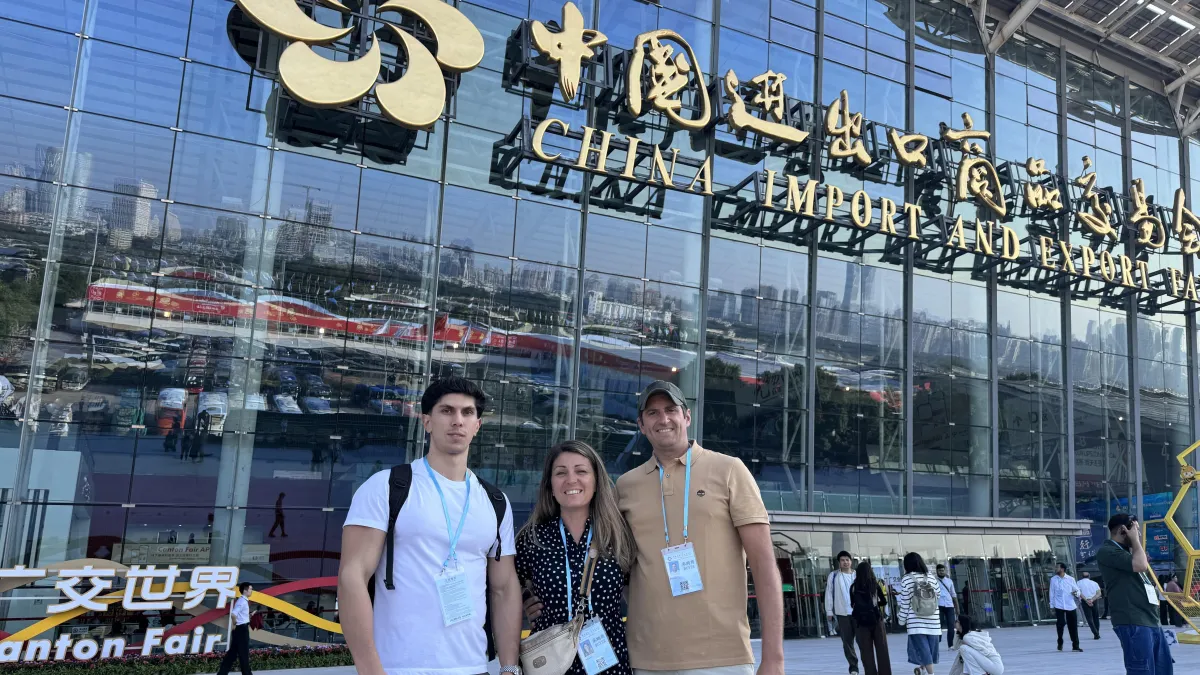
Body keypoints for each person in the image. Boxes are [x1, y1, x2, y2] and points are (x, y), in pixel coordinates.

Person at [338, 377, 523, 675]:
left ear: (477, 425)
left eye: (467, 413)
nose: (457, 421)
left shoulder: (495, 501)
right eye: (446, 411)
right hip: (399, 667)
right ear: (427, 421)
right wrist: (370, 669)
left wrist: (509, 667)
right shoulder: (387, 487)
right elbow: (352, 577)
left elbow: (504, 589)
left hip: (473, 667)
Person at [516, 440, 637, 675]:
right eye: (561, 473)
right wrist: (525, 600)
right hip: (550, 664)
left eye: (581, 471)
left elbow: (640, 590)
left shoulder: (618, 536)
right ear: (550, 485)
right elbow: (504, 588)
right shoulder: (533, 538)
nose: (571, 480)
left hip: (609, 663)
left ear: (596, 482)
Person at [1096, 514, 1173, 675]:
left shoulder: (1128, 553)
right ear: (1123, 530)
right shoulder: (1107, 551)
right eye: (1135, 529)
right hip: (1133, 621)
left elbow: (1144, 570)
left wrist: (1136, 547)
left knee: (1163, 670)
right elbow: (1140, 565)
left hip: (1151, 620)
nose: (1138, 534)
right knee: (1142, 671)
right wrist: (1136, 542)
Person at [897, 552, 941, 675]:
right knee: (929, 650)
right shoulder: (931, 577)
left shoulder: (906, 579)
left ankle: (931, 674)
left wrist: (901, 620)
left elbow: (904, 602)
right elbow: (938, 594)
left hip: (916, 622)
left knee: (922, 649)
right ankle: (923, 669)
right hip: (933, 620)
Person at [849, 561, 890, 675]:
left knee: (866, 651)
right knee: (882, 649)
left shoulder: (853, 586)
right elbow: (884, 601)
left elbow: (852, 604)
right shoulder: (875, 585)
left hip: (861, 622)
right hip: (876, 619)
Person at [826, 551, 860, 675]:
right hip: (842, 613)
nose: (845, 562)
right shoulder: (834, 576)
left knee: (862, 640)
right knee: (847, 642)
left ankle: (868, 663)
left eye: (847, 560)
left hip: (858, 613)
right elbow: (829, 593)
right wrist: (829, 611)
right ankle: (853, 667)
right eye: (842, 560)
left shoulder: (857, 575)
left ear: (851, 561)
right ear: (839, 562)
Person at [216, 582, 254, 675]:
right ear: (245, 590)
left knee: (232, 654)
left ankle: (222, 673)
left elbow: (240, 616)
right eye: (250, 589)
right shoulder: (241, 601)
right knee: (243, 653)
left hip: (241, 629)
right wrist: (235, 623)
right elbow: (233, 614)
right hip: (241, 630)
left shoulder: (243, 601)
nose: (251, 591)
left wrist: (250, 615)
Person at [1049, 562, 1082, 652]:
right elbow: (1051, 593)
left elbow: (1077, 590)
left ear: (1062, 569)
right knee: (1060, 623)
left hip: (1070, 605)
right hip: (1059, 605)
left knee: (1073, 626)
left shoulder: (1070, 579)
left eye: (1057, 567)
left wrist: (1076, 593)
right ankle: (1060, 640)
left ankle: (1075, 645)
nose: (1056, 569)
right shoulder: (1053, 579)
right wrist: (1051, 606)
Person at [935, 564, 959, 650]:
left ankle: (950, 645)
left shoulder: (949, 581)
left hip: (949, 605)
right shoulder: (934, 581)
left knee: (951, 625)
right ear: (937, 571)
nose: (941, 572)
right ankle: (937, 641)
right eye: (940, 571)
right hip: (939, 605)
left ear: (945, 571)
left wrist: (957, 607)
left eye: (943, 570)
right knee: (938, 625)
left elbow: (953, 594)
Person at [1077, 571, 1102, 640]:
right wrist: (1092, 600)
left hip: (1085, 601)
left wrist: (1086, 600)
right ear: (1089, 576)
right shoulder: (1094, 583)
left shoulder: (1078, 583)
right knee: (1096, 617)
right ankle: (1097, 632)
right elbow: (1099, 593)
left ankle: (1095, 633)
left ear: (1082, 576)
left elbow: (1079, 593)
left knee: (1089, 618)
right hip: (1094, 601)